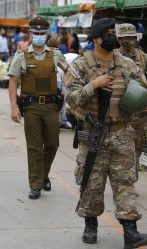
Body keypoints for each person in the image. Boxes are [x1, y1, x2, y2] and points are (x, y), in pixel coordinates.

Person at [65, 18, 147, 248]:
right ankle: (90, 224)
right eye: (109, 33)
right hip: (94, 134)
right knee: (92, 181)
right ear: (97, 38)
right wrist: (95, 85)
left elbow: (141, 89)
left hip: (122, 133)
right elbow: (70, 98)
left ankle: (130, 232)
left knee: (126, 182)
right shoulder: (82, 65)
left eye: (115, 32)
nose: (114, 36)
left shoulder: (127, 64)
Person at [8, 16, 68, 200]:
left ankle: (43, 175)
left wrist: (70, 94)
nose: (39, 36)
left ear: (46, 34)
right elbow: (12, 80)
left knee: (53, 144)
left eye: (42, 33)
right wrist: (13, 108)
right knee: (34, 147)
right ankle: (35, 185)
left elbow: (70, 72)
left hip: (51, 105)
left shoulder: (55, 54)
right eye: (36, 33)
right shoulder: (21, 55)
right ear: (30, 34)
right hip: (31, 107)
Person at [117, 23, 147, 165]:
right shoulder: (113, 57)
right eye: (122, 38)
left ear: (135, 38)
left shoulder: (143, 58)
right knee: (120, 152)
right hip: (118, 113)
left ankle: (131, 180)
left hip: (139, 113)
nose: (126, 41)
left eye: (129, 37)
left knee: (136, 149)